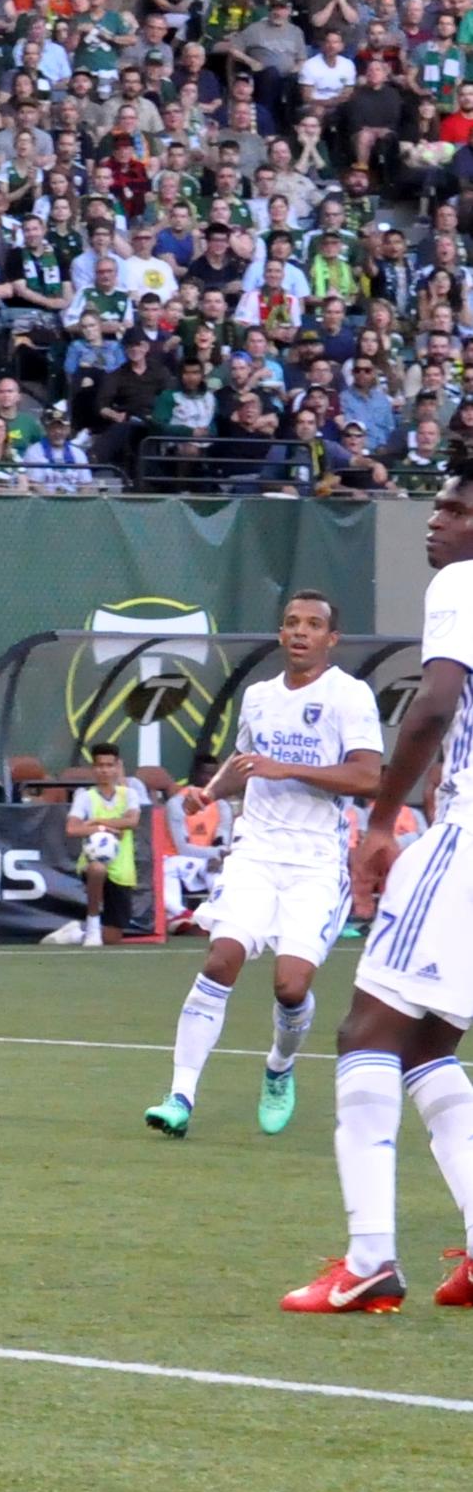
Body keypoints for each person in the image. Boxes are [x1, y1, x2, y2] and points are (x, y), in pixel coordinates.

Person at [283, 468, 473, 1313]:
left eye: (457, 509)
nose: (436, 523)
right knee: (429, 1044)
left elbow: (432, 705)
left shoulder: (462, 582)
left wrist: (383, 818)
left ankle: (368, 1261)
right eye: (437, 505)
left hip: (466, 839)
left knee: (367, 1026)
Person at [145, 592, 379, 1140]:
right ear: (281, 634)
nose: (301, 632)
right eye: (292, 623)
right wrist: (210, 792)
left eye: (314, 624)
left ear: (331, 639)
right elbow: (246, 763)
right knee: (221, 959)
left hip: (316, 861)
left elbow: (368, 776)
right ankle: (180, 1094)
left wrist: (286, 768)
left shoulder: (350, 695)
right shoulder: (257, 697)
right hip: (256, 852)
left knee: (290, 986)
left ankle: (279, 1065)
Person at [64, 742, 147, 949]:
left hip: (122, 870)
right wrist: (102, 830)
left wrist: (96, 823)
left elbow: (132, 821)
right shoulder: (85, 796)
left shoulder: (129, 794)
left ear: (117, 766)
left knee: (112, 938)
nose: (105, 770)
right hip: (93, 863)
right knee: (97, 868)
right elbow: (72, 829)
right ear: (94, 768)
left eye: (110, 765)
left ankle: (75, 934)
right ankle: (92, 926)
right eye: (100, 765)